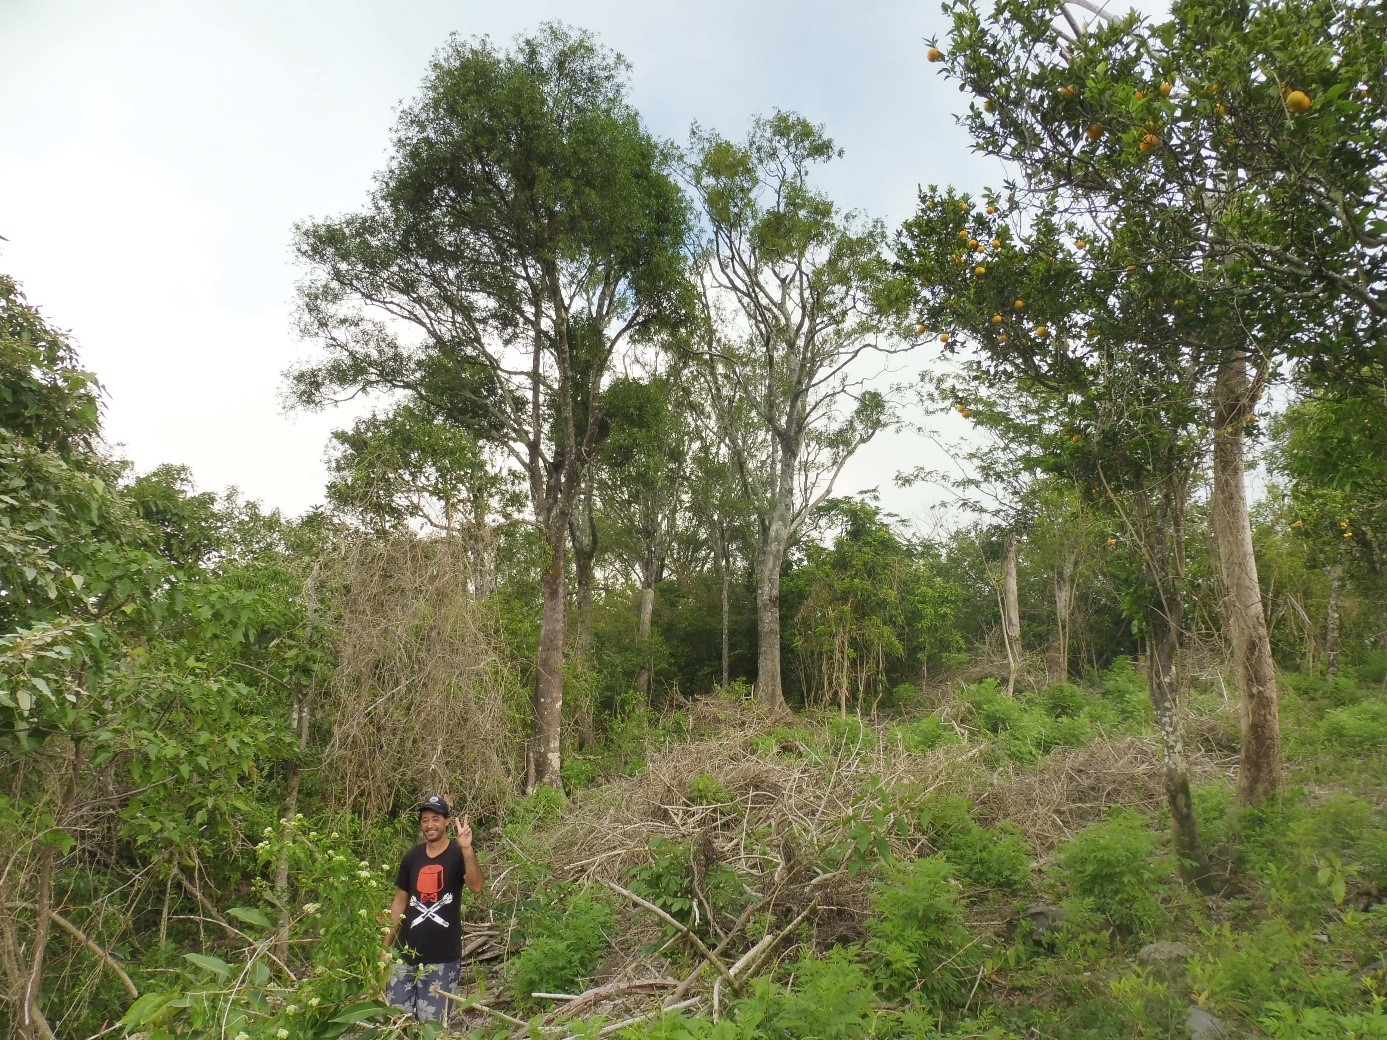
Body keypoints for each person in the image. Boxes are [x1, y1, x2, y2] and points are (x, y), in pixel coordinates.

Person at [382, 794, 485, 1024]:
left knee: (433, 1028)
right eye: (425, 820)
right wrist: (385, 946)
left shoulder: (458, 855)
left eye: (436, 819)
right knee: (396, 1025)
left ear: (447, 821)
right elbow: (399, 902)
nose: (430, 825)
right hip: (404, 958)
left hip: (441, 960)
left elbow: (477, 886)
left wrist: (467, 849)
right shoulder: (412, 857)